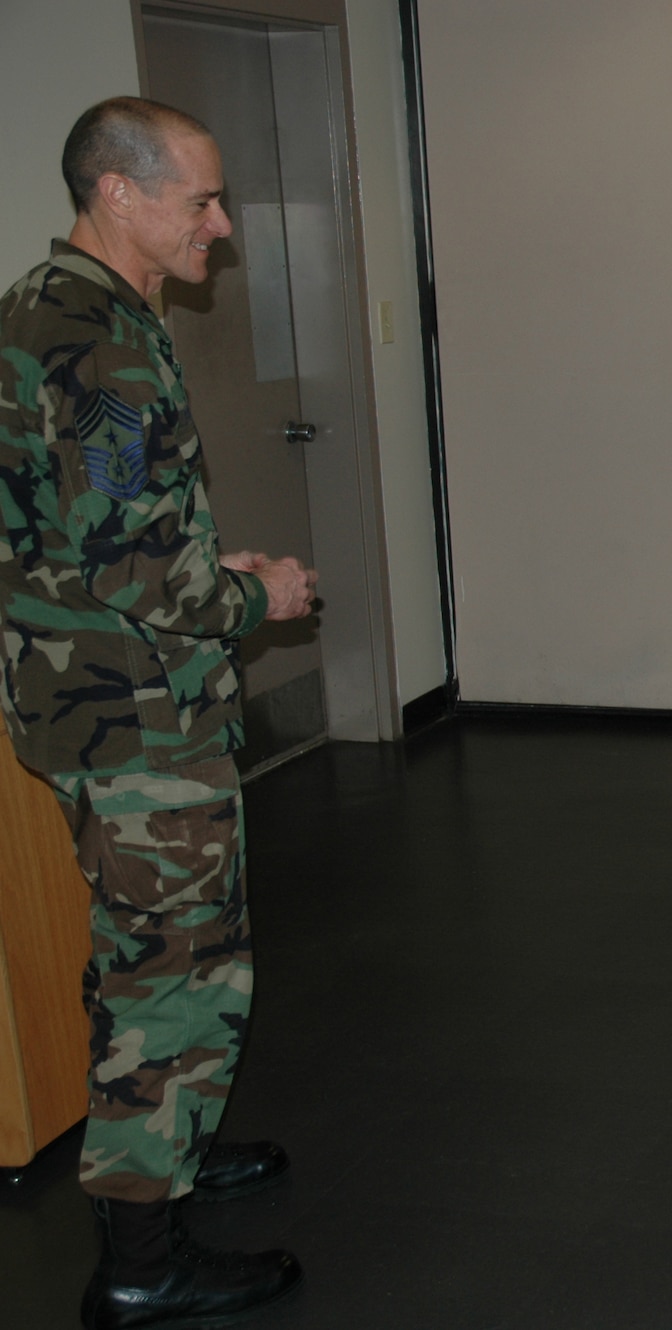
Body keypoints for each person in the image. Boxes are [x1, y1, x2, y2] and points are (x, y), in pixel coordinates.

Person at [0, 97, 316, 1327]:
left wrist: (194, 567)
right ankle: (141, 1256)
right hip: (134, 716)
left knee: (143, 950)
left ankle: (167, 1147)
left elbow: (85, 532)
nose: (220, 225)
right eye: (201, 200)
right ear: (118, 193)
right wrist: (255, 598)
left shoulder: (48, 307)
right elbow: (137, 567)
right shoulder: (100, 344)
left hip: (89, 692)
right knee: (174, 970)